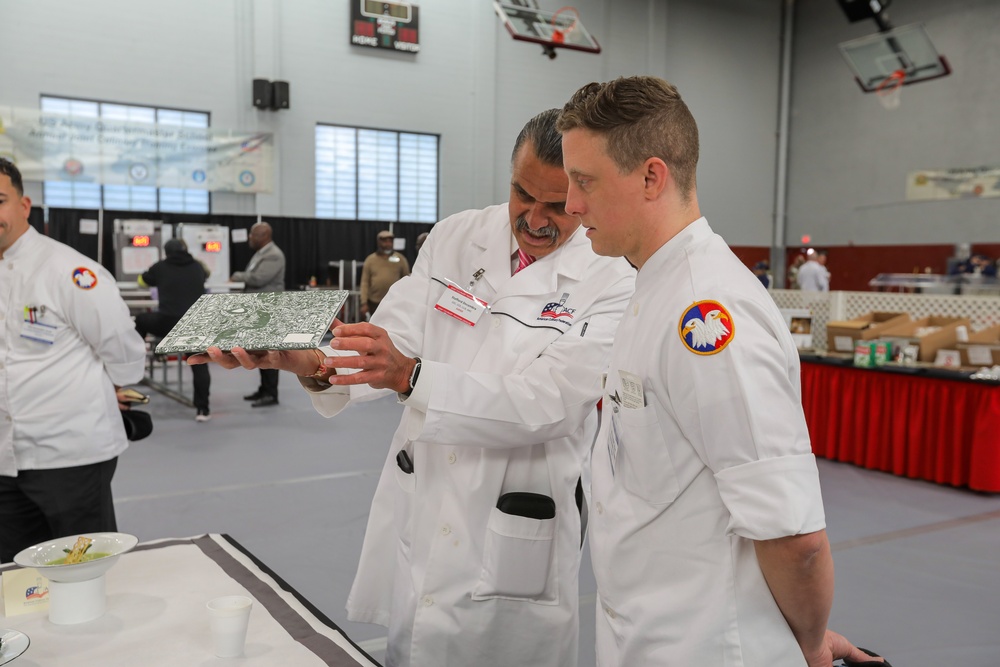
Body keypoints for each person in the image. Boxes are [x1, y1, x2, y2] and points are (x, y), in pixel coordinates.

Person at [192, 109, 635, 667]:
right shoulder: (458, 236)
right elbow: (395, 333)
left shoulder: (612, 275)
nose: (535, 219)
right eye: (523, 194)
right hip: (425, 496)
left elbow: (551, 402)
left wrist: (412, 377)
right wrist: (308, 360)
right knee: (415, 644)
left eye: (557, 205)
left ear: (584, 196)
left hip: (516, 511)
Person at [557, 77, 883, 667]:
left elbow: (796, 538)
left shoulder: (707, 316)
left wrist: (806, 644)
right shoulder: (650, 290)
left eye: (584, 182)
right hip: (650, 636)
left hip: (710, 647)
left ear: (652, 177)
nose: (571, 205)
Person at [0, 158, 146, 562]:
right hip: (4, 460)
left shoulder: (71, 271)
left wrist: (116, 388)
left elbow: (123, 350)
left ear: (23, 205)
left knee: (85, 573)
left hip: (71, 456)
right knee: (16, 578)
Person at [136, 238, 212, 421]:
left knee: (140, 320)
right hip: (194, 325)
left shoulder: (160, 267)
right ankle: (203, 410)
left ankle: (139, 361)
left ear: (166, 252)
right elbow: (206, 275)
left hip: (167, 325)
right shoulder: (197, 267)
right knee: (199, 363)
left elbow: (142, 281)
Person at [230, 222, 285, 407]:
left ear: (264, 236)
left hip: (268, 309)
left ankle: (271, 393)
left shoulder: (274, 255)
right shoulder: (262, 254)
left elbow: (259, 278)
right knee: (260, 350)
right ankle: (264, 389)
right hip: (259, 309)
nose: (249, 238)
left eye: (253, 235)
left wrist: (237, 276)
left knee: (269, 352)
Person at [360, 230, 410, 318]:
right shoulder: (370, 260)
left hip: (394, 302)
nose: (388, 244)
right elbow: (365, 282)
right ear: (379, 242)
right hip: (375, 302)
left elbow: (407, 280)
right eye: (385, 241)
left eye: (390, 241)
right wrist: (364, 302)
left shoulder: (400, 259)